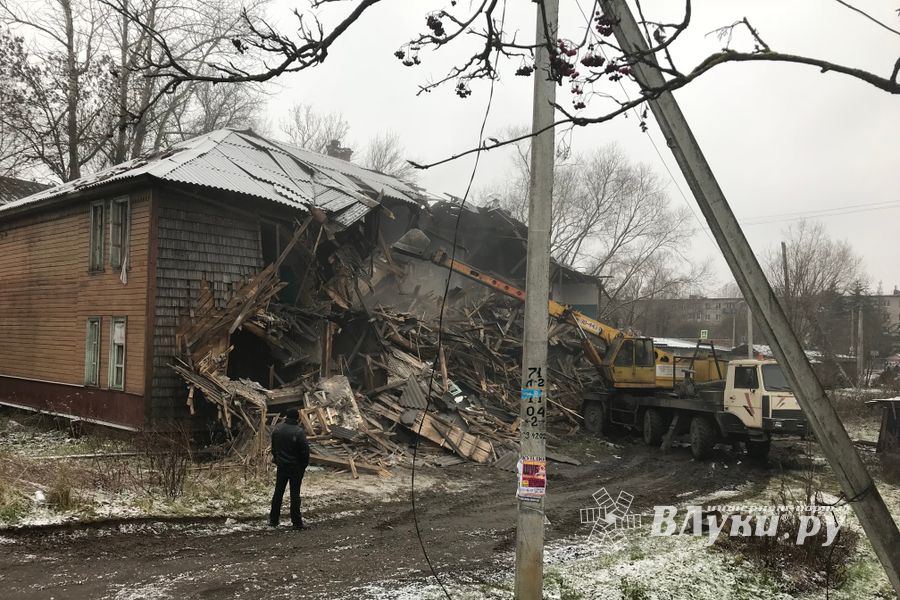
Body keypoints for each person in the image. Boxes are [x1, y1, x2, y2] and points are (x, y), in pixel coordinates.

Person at [269, 408, 310, 530]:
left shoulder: (277, 429)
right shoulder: (299, 432)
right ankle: (296, 522)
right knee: (295, 494)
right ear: (297, 418)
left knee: (278, 492)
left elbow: (273, 448)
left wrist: (278, 461)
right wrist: (303, 465)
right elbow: (305, 451)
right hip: (296, 467)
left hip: (282, 466)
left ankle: (273, 520)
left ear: (286, 416)